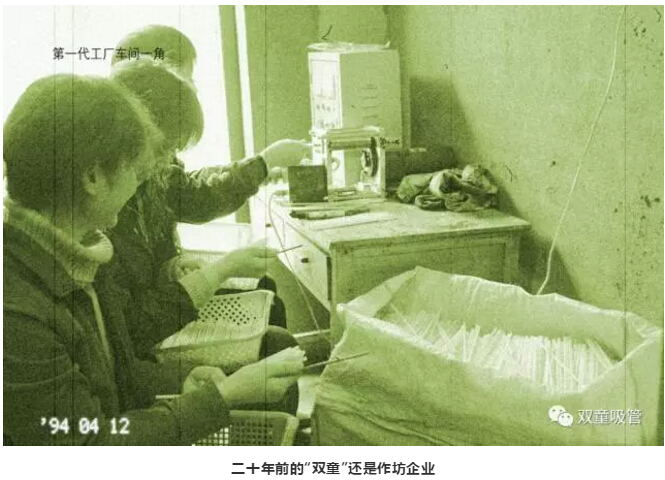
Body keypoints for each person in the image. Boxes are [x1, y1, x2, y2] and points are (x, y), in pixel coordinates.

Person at [2, 74, 303, 445]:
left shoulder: (82, 253)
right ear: (93, 177)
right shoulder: (18, 315)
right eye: (135, 170)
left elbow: (116, 372)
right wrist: (222, 399)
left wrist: (180, 380)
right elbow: (90, 447)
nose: (140, 182)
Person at [108, 27, 309, 361]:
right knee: (276, 340)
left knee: (267, 296)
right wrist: (219, 270)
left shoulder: (144, 170)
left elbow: (181, 192)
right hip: (144, 344)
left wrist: (169, 268)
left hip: (153, 307)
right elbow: (134, 327)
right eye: (185, 78)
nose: (192, 88)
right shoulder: (112, 201)